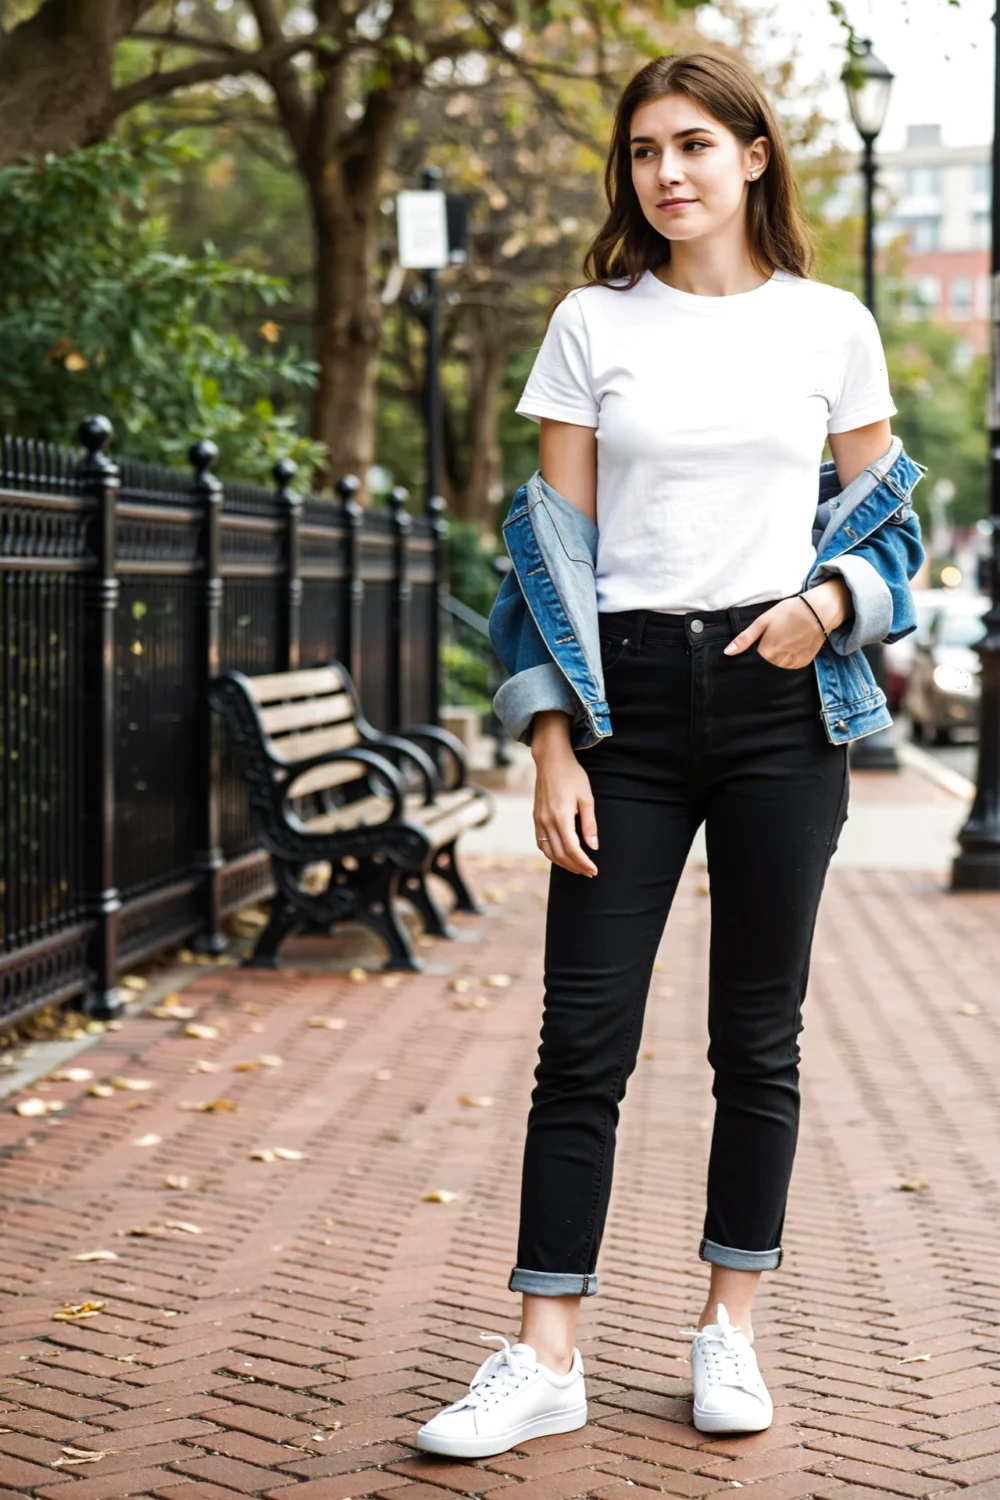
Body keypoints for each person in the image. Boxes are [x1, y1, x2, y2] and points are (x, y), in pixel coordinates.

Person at [416, 49, 925, 1460]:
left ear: (755, 155)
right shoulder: (592, 322)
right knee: (580, 1040)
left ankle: (729, 1328)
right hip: (624, 703)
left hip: (780, 703)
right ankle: (547, 1353)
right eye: (645, 152)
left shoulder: (832, 326)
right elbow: (546, 560)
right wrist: (547, 744)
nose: (668, 173)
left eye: (694, 144)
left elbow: (890, 534)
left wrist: (826, 605)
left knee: (756, 1040)